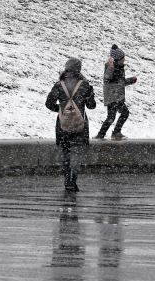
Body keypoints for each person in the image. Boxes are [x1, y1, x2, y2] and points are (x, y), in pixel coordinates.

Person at [45, 58, 96, 193]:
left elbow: (48, 104)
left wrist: (62, 110)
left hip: (63, 125)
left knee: (65, 152)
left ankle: (67, 180)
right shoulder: (85, 85)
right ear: (78, 69)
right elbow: (92, 106)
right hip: (80, 125)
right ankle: (73, 180)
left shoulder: (58, 85)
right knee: (78, 153)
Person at [96, 45, 137, 140]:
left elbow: (120, 82)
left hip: (115, 96)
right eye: (123, 58)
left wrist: (131, 80)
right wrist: (111, 67)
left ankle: (102, 134)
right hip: (114, 97)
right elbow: (107, 78)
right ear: (118, 59)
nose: (124, 60)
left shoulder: (118, 67)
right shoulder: (111, 67)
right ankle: (115, 132)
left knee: (111, 117)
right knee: (123, 114)